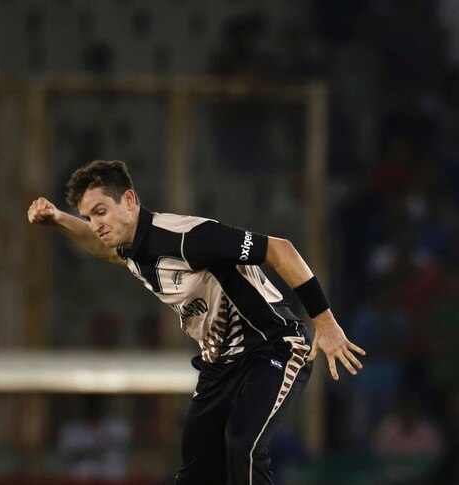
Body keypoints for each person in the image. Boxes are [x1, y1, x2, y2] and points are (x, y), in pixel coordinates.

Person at [27, 159, 365, 485]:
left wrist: (325, 320)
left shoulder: (186, 236)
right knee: (196, 471)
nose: (95, 224)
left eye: (100, 212)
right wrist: (58, 218)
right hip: (218, 364)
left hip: (271, 345)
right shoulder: (131, 246)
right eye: (88, 217)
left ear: (129, 200)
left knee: (242, 444)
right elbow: (104, 250)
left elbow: (280, 250)